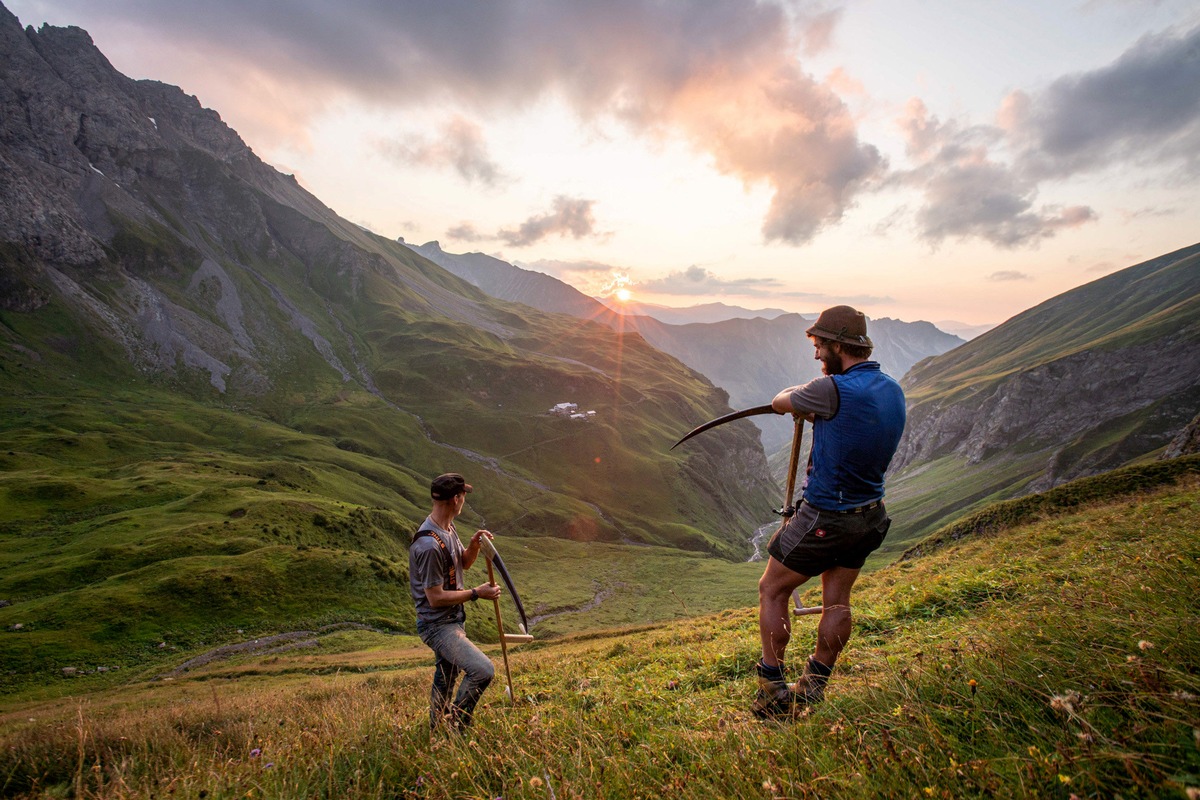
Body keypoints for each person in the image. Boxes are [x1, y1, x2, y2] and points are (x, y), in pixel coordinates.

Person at [753, 305, 906, 718]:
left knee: (772, 588)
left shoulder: (831, 391)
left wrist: (801, 397)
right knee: (837, 601)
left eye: (820, 346)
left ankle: (771, 684)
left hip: (827, 517)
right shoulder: (892, 388)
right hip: (871, 516)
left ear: (839, 346)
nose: (817, 356)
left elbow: (780, 401)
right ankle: (814, 685)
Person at [409, 472, 502, 730]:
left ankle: (436, 727)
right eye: (463, 496)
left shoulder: (447, 529)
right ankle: (457, 726)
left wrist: (472, 545)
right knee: (483, 670)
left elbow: (463, 563)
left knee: (446, 677)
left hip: (452, 619)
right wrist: (476, 593)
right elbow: (435, 597)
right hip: (438, 625)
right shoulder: (428, 544)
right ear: (456, 499)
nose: (464, 501)